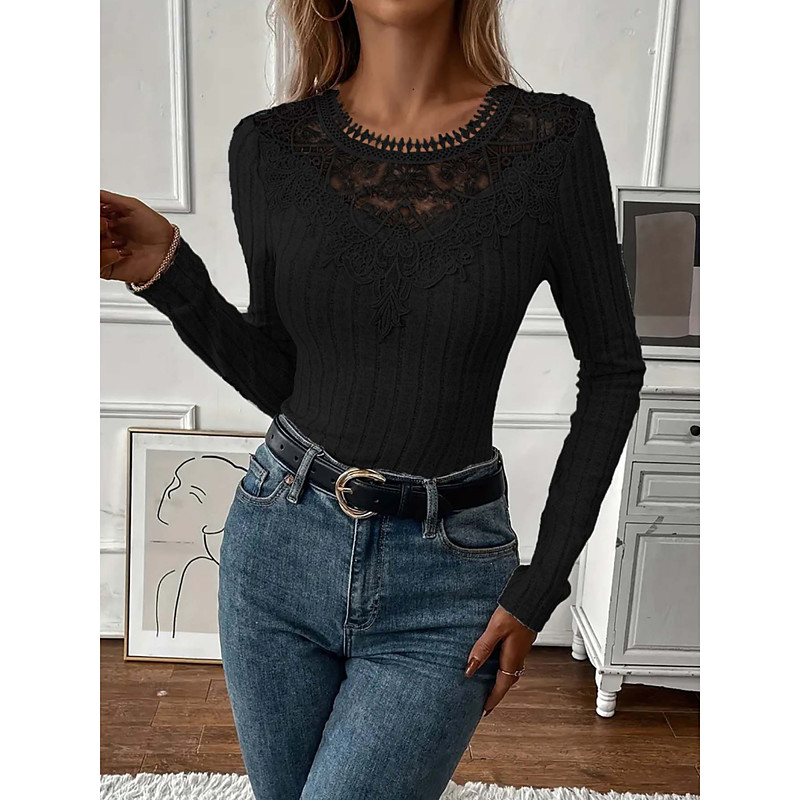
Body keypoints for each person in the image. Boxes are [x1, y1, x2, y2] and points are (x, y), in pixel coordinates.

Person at [99, 1, 646, 797]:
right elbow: (286, 382)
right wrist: (166, 272)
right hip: (278, 544)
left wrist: (542, 584)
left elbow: (613, 369)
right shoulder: (269, 147)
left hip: (447, 577)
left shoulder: (552, 142)